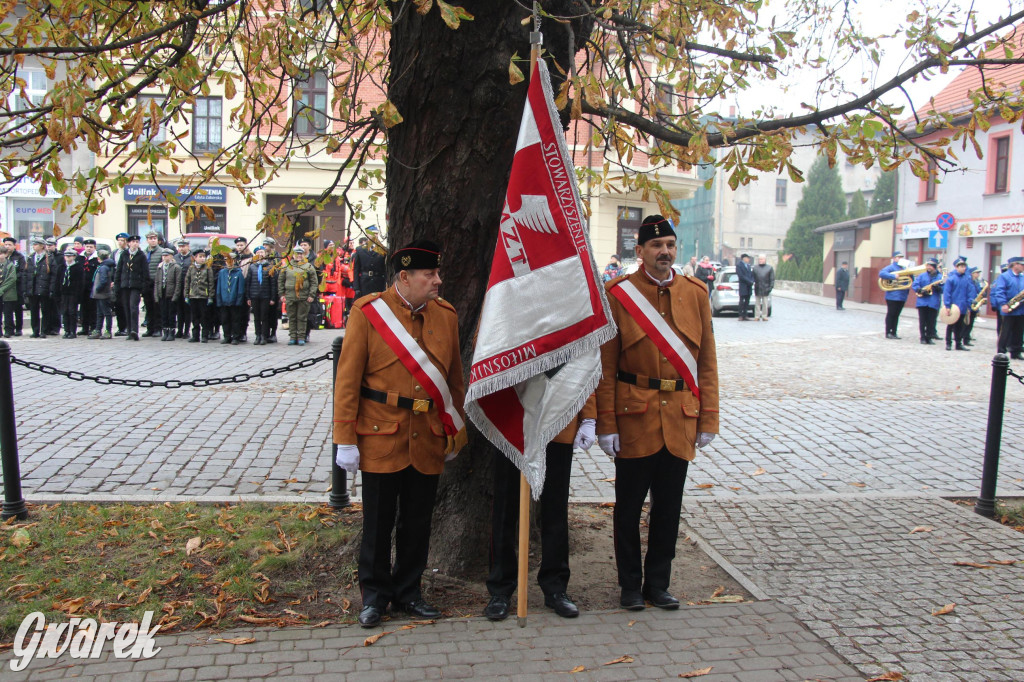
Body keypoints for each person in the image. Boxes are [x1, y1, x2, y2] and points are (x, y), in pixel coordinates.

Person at [333, 238, 467, 628]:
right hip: (380, 434)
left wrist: (453, 430)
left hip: (426, 435)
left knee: (418, 521)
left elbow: (454, 380)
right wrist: (344, 437)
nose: (438, 281)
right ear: (405, 277)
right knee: (377, 523)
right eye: (431, 274)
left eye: (438, 273)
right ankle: (374, 597)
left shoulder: (446, 315)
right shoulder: (369, 312)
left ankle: (410, 592)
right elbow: (348, 380)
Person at [596, 214, 719, 611]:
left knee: (669, 509)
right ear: (640, 252)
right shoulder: (619, 294)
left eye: (669, 245)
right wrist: (606, 423)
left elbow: (708, 363)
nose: (664, 251)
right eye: (656, 246)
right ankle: (630, 586)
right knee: (628, 509)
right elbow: (606, 366)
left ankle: (659, 584)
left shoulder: (696, 293)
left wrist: (708, 417)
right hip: (635, 417)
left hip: (680, 417)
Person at [484, 398, 596, 622]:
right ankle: (500, 589)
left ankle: (555, 586)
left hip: (559, 413)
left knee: (555, 508)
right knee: (505, 507)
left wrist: (589, 416)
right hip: (513, 416)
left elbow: (587, 367)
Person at [277, 246, 318, 346]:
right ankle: (292, 337)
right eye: (297, 253)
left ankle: (301, 337)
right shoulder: (287, 266)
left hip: (303, 296)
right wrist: (282, 294)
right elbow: (281, 281)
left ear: (303, 255)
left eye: (301, 254)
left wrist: (311, 295)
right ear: (293, 255)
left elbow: (314, 282)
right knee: (292, 317)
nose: (299, 256)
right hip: (290, 296)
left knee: (302, 317)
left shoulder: (308, 266)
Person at [114, 234, 149, 341]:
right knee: (126, 308)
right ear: (128, 243)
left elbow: (145, 272)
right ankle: (129, 331)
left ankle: (134, 330)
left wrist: (144, 287)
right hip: (125, 285)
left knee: (133, 307)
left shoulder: (141, 255)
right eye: (133, 242)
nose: (135, 244)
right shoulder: (124, 254)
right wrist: (117, 285)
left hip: (135, 286)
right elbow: (119, 270)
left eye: (137, 242)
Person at [990, 256, 1024, 359]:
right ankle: (1001, 352)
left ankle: (1016, 351)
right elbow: (1000, 291)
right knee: (1005, 331)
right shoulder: (1004, 276)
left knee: (1019, 331)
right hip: (1008, 308)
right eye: (1022, 265)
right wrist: (1003, 304)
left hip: (1020, 309)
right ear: (1015, 265)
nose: (1023, 267)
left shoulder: (1022, 277)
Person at [245, 246, 277, 345]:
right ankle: (257, 335)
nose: (260, 254)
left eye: (262, 252)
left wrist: (273, 298)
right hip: (254, 295)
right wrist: (248, 297)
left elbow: (273, 284)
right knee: (256, 317)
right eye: (258, 252)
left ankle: (264, 335)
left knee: (265, 316)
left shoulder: (270, 267)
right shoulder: (252, 267)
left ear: (265, 254)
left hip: (265, 296)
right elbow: (248, 283)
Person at [24, 237, 55, 338]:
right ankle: (35, 331)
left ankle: (44, 331)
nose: (34, 246)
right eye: (33, 245)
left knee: (45, 311)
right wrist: (26, 289)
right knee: (33, 311)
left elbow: (53, 275)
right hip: (33, 288)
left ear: (42, 246)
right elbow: (26, 274)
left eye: (36, 244)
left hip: (44, 288)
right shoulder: (30, 257)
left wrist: (51, 289)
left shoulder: (49, 258)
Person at [184, 249, 215, 343]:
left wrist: (210, 296)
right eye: (200, 257)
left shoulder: (208, 268)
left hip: (203, 296)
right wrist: (186, 295)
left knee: (204, 317)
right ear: (195, 258)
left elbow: (211, 283)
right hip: (193, 296)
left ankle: (205, 335)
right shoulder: (191, 268)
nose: (202, 259)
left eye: (203, 257)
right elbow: (187, 282)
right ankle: (195, 335)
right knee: (195, 317)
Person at [215, 252, 246, 345]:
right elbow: (219, 287)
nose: (227, 262)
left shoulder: (238, 272)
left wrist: (239, 300)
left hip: (234, 301)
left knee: (235, 320)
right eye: (226, 260)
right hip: (224, 300)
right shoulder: (222, 272)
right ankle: (227, 336)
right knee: (225, 319)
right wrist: (219, 299)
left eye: (230, 260)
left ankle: (236, 337)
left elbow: (240, 288)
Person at [878, 251, 909, 339]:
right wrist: (893, 276)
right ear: (894, 258)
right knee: (891, 314)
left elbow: (910, 280)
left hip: (902, 295)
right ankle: (888, 332)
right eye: (898, 257)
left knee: (897, 315)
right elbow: (881, 273)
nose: (900, 258)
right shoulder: (891, 267)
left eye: (901, 257)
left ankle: (894, 332)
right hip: (892, 295)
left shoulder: (905, 268)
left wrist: (909, 273)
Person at [911, 258, 943, 345]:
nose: (928, 267)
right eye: (927, 265)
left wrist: (939, 288)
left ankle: (929, 337)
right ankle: (922, 337)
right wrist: (919, 290)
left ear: (934, 267)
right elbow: (915, 284)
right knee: (922, 321)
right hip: (922, 301)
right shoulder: (922, 275)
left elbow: (943, 289)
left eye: (930, 265)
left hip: (933, 302)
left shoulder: (940, 277)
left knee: (931, 321)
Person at [942, 257, 971, 351]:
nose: (964, 268)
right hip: (953, 306)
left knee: (960, 326)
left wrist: (969, 304)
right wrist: (947, 306)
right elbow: (947, 293)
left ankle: (958, 343)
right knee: (951, 325)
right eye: (962, 266)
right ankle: (948, 343)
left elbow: (969, 292)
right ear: (956, 267)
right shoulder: (951, 279)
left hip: (962, 306)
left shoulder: (966, 279)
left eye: (964, 266)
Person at [153, 249, 181, 341]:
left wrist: (175, 295)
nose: (165, 257)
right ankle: (165, 331)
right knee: (163, 313)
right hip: (162, 293)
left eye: (167, 255)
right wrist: (156, 295)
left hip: (171, 293)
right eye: (163, 256)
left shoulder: (176, 267)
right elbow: (157, 281)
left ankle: (171, 332)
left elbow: (178, 283)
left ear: (171, 256)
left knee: (171, 314)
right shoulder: (160, 267)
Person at [89, 248, 116, 339]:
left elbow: (103, 280)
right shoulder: (104, 266)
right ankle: (98, 330)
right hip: (100, 294)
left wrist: (98, 289)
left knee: (106, 313)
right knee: (100, 313)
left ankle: (107, 331)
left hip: (102, 294)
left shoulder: (103, 267)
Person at [351, 232, 387, 299]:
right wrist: (356, 288)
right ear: (367, 235)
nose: (375, 235)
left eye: (376, 233)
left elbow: (385, 270)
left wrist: (385, 286)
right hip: (364, 283)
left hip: (378, 283)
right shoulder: (360, 250)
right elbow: (356, 270)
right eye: (372, 233)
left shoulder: (382, 249)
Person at [57, 250, 84, 338]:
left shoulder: (78, 267)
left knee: (72, 311)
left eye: (70, 256)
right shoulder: (61, 267)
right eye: (66, 256)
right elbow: (57, 280)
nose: (68, 257)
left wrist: (79, 294)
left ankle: (73, 331)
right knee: (65, 311)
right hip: (64, 293)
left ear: (74, 257)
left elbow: (80, 282)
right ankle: (66, 330)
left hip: (73, 293)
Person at [142, 231, 163, 336]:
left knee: (157, 307)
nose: (153, 240)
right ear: (147, 240)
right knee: (148, 307)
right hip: (147, 282)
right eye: (151, 238)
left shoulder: (162, 252)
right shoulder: (144, 252)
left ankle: (158, 329)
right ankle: (149, 329)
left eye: (154, 238)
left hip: (157, 282)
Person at [2, 237, 25, 335]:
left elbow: (22, 271)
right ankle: (9, 328)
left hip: (17, 286)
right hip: (5, 289)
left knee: (18, 309)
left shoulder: (19, 257)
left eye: (9, 245)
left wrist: (15, 277)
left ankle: (19, 328)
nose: (7, 246)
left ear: (14, 246)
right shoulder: (3, 257)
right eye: (6, 245)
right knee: (7, 310)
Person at [79, 239, 100, 337]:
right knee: (83, 308)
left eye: (91, 247)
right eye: (87, 246)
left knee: (93, 308)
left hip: (93, 287)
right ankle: (84, 327)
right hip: (82, 287)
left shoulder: (97, 259)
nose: (88, 248)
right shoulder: (80, 258)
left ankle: (93, 327)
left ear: (94, 248)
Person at [262, 237, 281, 343]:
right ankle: (266, 333)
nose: (265, 247)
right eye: (264, 245)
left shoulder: (276, 257)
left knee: (273, 313)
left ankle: (273, 333)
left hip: (274, 287)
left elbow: (278, 272)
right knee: (265, 313)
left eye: (266, 245)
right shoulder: (263, 257)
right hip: (265, 288)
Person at [173, 239, 193, 338]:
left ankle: (186, 331)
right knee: (179, 310)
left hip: (189, 287)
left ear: (188, 246)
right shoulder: (175, 258)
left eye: (183, 246)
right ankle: (179, 330)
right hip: (178, 287)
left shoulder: (192, 257)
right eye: (180, 246)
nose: (181, 248)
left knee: (187, 310)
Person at [111, 233, 130, 335]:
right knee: (117, 305)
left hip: (125, 281)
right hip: (116, 281)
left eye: (122, 240)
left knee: (125, 305)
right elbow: (112, 267)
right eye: (118, 240)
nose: (120, 242)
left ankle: (127, 326)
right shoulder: (115, 252)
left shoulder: (128, 252)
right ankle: (121, 327)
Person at [962, 266, 983, 346]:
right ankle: (964, 338)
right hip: (968, 304)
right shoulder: (968, 281)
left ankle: (967, 338)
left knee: (971, 323)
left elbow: (979, 291)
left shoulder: (976, 282)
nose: (978, 274)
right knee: (966, 322)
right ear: (972, 274)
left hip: (975, 303)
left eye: (978, 273)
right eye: (977, 273)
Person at [0, 250, 18, 337]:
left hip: (8, 293)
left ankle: (9, 330)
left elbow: (12, 279)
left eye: (1, 254)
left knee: (8, 312)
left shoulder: (10, 265)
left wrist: (2, 289)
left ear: (6, 254)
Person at [751, 254, 774, 321]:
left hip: (766, 288)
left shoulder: (769, 268)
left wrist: (770, 287)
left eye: (762, 259)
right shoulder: (755, 268)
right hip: (758, 287)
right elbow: (752, 277)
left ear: (765, 260)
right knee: (757, 304)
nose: (760, 260)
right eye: (759, 259)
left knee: (765, 304)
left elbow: (772, 279)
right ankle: (757, 316)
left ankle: (764, 316)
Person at [735, 253, 754, 321]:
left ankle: (745, 314)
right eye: (747, 258)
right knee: (742, 301)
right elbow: (741, 276)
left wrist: (752, 280)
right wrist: (749, 281)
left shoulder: (748, 266)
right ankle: (740, 315)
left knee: (747, 301)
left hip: (749, 286)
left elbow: (751, 275)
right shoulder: (739, 265)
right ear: (744, 258)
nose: (748, 259)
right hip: (743, 285)